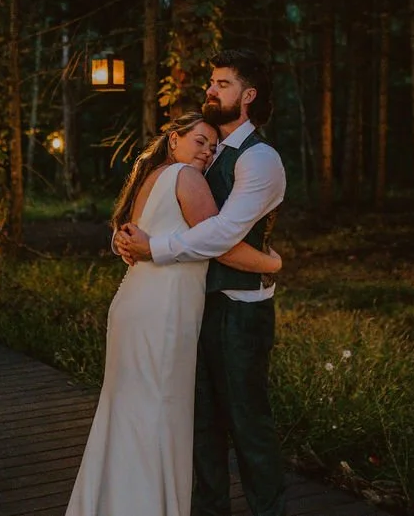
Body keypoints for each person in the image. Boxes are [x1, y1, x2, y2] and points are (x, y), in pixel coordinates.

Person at [65, 111, 282, 516]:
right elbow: (220, 243)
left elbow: (125, 237)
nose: (206, 151)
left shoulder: (149, 177)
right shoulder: (187, 177)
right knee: (160, 411)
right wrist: (272, 265)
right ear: (174, 140)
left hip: (135, 302)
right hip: (163, 310)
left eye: (213, 147)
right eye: (199, 141)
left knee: (129, 410)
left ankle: (111, 504)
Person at [115, 49, 287, 516]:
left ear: (248, 96)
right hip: (193, 305)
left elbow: (223, 235)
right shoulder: (206, 153)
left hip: (239, 309)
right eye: (211, 83)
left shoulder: (260, 160)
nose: (211, 90)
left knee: (248, 425)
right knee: (202, 426)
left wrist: (155, 248)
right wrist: (128, 237)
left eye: (223, 84)